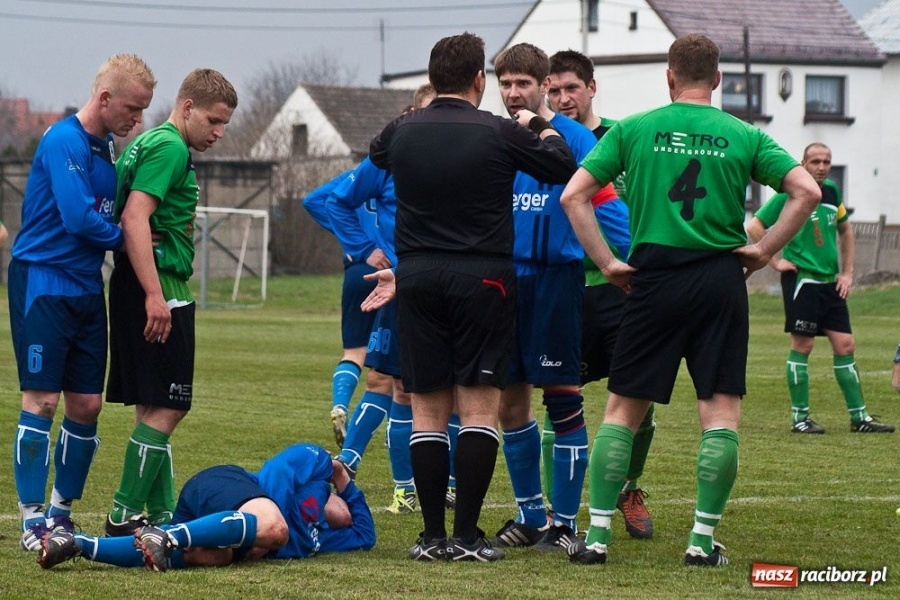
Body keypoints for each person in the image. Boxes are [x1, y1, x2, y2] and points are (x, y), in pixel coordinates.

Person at [559, 33, 821, 567]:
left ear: (670, 78)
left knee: (621, 411)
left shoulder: (634, 128)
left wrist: (609, 264)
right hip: (719, 280)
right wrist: (764, 252)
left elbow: (574, 196)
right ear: (719, 79)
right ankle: (700, 542)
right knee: (720, 414)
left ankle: (598, 538)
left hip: (651, 281)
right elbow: (807, 192)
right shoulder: (743, 133)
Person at [365, 32, 577, 562]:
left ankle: (431, 537)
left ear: (434, 80)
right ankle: (466, 537)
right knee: (480, 411)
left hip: (416, 277)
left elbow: (377, 150)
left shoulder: (405, 130)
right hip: (484, 279)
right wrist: (539, 124)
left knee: (428, 412)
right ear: (480, 80)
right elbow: (561, 165)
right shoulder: (500, 131)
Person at [8, 54, 155, 552]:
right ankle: (31, 520)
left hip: (88, 288)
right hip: (44, 282)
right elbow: (76, 219)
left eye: (144, 113)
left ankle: (61, 515)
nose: (137, 121)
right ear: (105, 98)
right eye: (132, 110)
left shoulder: (108, 150)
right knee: (43, 400)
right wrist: (131, 237)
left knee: (88, 405)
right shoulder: (63, 139)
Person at [104, 69, 238, 536]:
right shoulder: (170, 146)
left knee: (153, 404)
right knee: (170, 406)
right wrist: (156, 295)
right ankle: (124, 513)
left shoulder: (148, 141)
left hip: (136, 281)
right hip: (158, 285)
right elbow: (134, 216)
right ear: (187, 108)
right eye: (214, 120)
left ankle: (160, 516)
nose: (218, 132)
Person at [487, 43, 602, 551]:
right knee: (510, 401)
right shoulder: (494, 137)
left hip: (558, 279)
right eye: (505, 84)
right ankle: (531, 515)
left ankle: (566, 523)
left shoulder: (578, 140)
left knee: (563, 398)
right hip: (507, 281)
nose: (514, 94)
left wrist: (615, 262)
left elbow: (605, 208)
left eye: (523, 84)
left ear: (544, 86)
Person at [328, 83, 458, 516]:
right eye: (424, 114)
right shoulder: (387, 164)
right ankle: (405, 489)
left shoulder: (466, 156)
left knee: (460, 390)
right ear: (410, 115)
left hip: (456, 283)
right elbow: (331, 201)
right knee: (396, 386)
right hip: (402, 286)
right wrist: (364, 248)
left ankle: (452, 485)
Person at [547, 49, 656, 540]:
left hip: (625, 288)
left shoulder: (625, 138)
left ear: (592, 88)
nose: (562, 98)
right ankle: (558, 507)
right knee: (556, 397)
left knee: (640, 397)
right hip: (566, 285)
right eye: (554, 90)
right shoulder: (542, 145)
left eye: (571, 87)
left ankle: (629, 489)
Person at [747, 143, 895, 434]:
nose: (822, 166)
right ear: (803, 163)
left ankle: (859, 418)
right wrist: (774, 261)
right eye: (815, 161)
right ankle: (800, 418)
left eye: (827, 161)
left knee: (846, 345)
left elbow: (845, 231)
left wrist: (848, 273)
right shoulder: (790, 193)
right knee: (803, 345)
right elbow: (755, 226)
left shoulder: (831, 193)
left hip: (830, 283)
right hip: (803, 281)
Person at [38, 443, 376, 571]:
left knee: (216, 556)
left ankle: (78, 545)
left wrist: (349, 489)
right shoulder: (314, 465)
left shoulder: (321, 537)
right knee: (274, 528)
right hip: (222, 484)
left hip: (228, 525)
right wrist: (336, 472)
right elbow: (278, 473)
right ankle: (168, 538)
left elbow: (365, 534)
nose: (342, 512)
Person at [301, 169, 389, 447]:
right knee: (395, 365)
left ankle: (340, 405)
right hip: (390, 268)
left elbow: (314, 200)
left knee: (354, 351)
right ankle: (397, 428)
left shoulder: (357, 176)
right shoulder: (397, 172)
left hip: (357, 268)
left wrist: (351, 240)